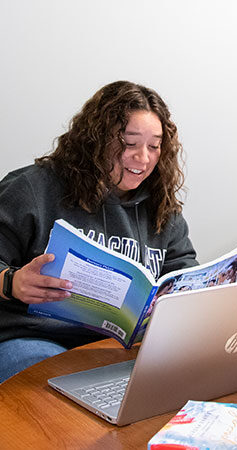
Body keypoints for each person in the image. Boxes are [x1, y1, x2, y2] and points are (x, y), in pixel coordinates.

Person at [0, 81, 198, 383]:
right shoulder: (31, 190)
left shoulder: (162, 208)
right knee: (60, 399)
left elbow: (183, 275)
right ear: (95, 139)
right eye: (129, 143)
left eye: (154, 146)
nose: (143, 158)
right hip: (30, 339)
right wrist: (11, 283)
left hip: (117, 347)